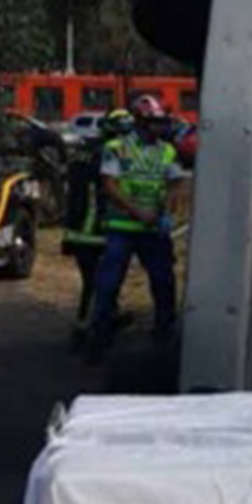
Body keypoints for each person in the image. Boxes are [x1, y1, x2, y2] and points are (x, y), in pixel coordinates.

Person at [86, 94, 189, 352]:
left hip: (154, 229)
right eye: (156, 122)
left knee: (163, 281)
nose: (161, 127)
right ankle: (100, 336)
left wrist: (169, 211)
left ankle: (164, 333)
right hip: (122, 228)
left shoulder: (166, 150)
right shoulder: (117, 148)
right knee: (108, 284)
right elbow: (109, 185)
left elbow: (177, 183)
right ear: (141, 123)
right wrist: (137, 211)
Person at [63, 110, 130, 343]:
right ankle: (92, 329)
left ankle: (97, 320)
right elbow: (109, 194)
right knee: (99, 282)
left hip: (78, 230)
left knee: (93, 281)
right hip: (97, 231)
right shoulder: (108, 157)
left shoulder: (85, 153)